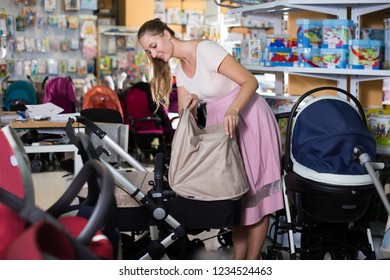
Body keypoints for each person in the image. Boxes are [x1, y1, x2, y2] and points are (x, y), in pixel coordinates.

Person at [137, 18, 284, 260]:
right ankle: (238, 262)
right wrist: (191, 106)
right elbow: (188, 114)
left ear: (166, 34)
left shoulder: (206, 49)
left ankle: (252, 263)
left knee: (258, 197)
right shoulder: (179, 70)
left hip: (248, 117)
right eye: (148, 51)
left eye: (153, 45)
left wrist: (234, 110)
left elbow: (250, 81)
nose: (153, 53)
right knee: (235, 194)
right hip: (222, 127)